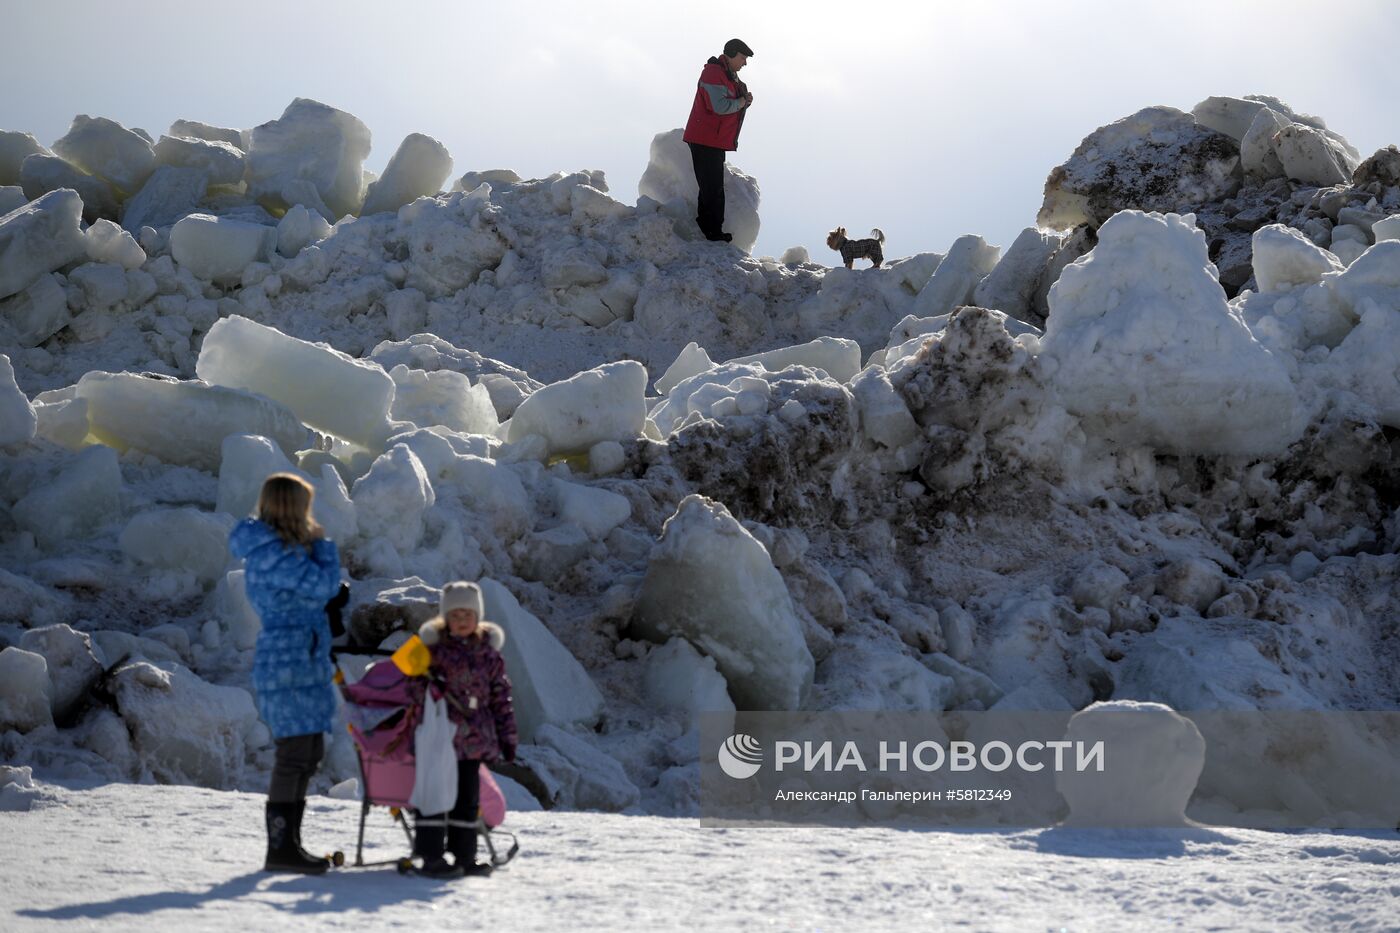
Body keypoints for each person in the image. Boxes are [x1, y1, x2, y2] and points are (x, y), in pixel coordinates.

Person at [229, 473, 344, 875]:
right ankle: (280, 848)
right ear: (294, 507)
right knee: (295, 754)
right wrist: (325, 549)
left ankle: (290, 843)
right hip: (288, 661)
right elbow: (324, 584)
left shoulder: (279, 551)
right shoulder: (273, 553)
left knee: (307, 751)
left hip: (300, 658)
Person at [392, 581, 518, 879]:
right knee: (434, 795)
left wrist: (508, 737)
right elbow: (409, 690)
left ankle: (465, 856)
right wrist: (426, 682)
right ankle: (431, 857)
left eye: (467, 614)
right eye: (455, 615)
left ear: (478, 617)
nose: (462, 621)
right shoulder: (431, 651)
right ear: (445, 618)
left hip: (473, 742)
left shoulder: (488, 655)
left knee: (466, 801)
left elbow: (501, 698)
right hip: (438, 739)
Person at [683, 38, 755, 242]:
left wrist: (743, 101)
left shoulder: (728, 77)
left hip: (712, 140)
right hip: (705, 138)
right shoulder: (714, 73)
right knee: (712, 187)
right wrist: (742, 101)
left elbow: (730, 105)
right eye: (743, 57)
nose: (745, 63)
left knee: (711, 185)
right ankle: (712, 232)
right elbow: (720, 107)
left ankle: (707, 226)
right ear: (732, 54)